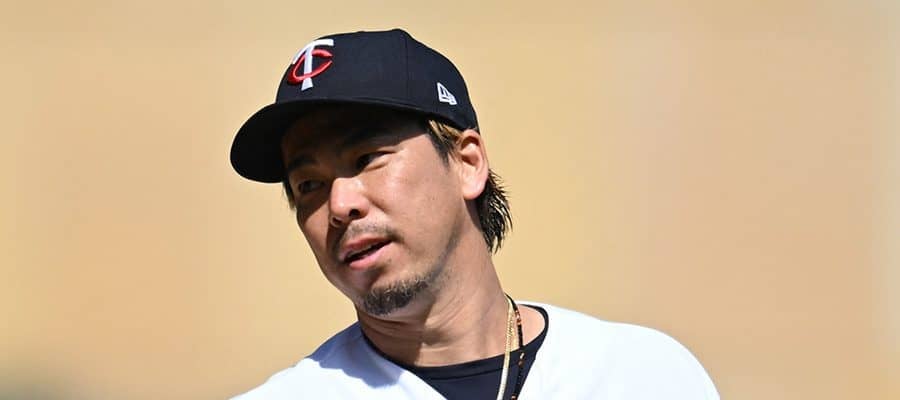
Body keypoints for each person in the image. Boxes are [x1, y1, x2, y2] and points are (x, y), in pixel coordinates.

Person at [229, 28, 719, 400]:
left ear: (466, 164)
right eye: (308, 185)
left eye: (367, 159)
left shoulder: (644, 374)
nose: (339, 205)